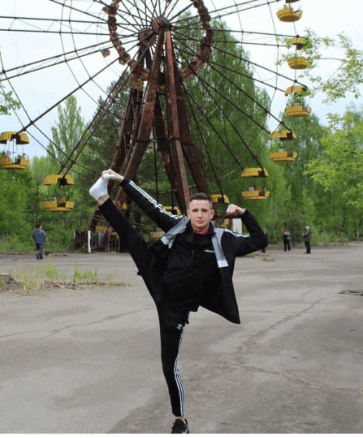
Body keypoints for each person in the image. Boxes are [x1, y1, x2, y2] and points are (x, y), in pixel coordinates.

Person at [89, 169, 268, 434]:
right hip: (158, 279)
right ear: (188, 212)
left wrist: (244, 214)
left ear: (211, 214)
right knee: (133, 240)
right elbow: (151, 207)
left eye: (203, 211)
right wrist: (123, 180)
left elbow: (260, 241)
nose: (198, 215)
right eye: (194, 210)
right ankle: (102, 198)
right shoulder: (178, 225)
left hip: (175, 309)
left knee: (168, 366)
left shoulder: (224, 240)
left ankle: (180, 420)